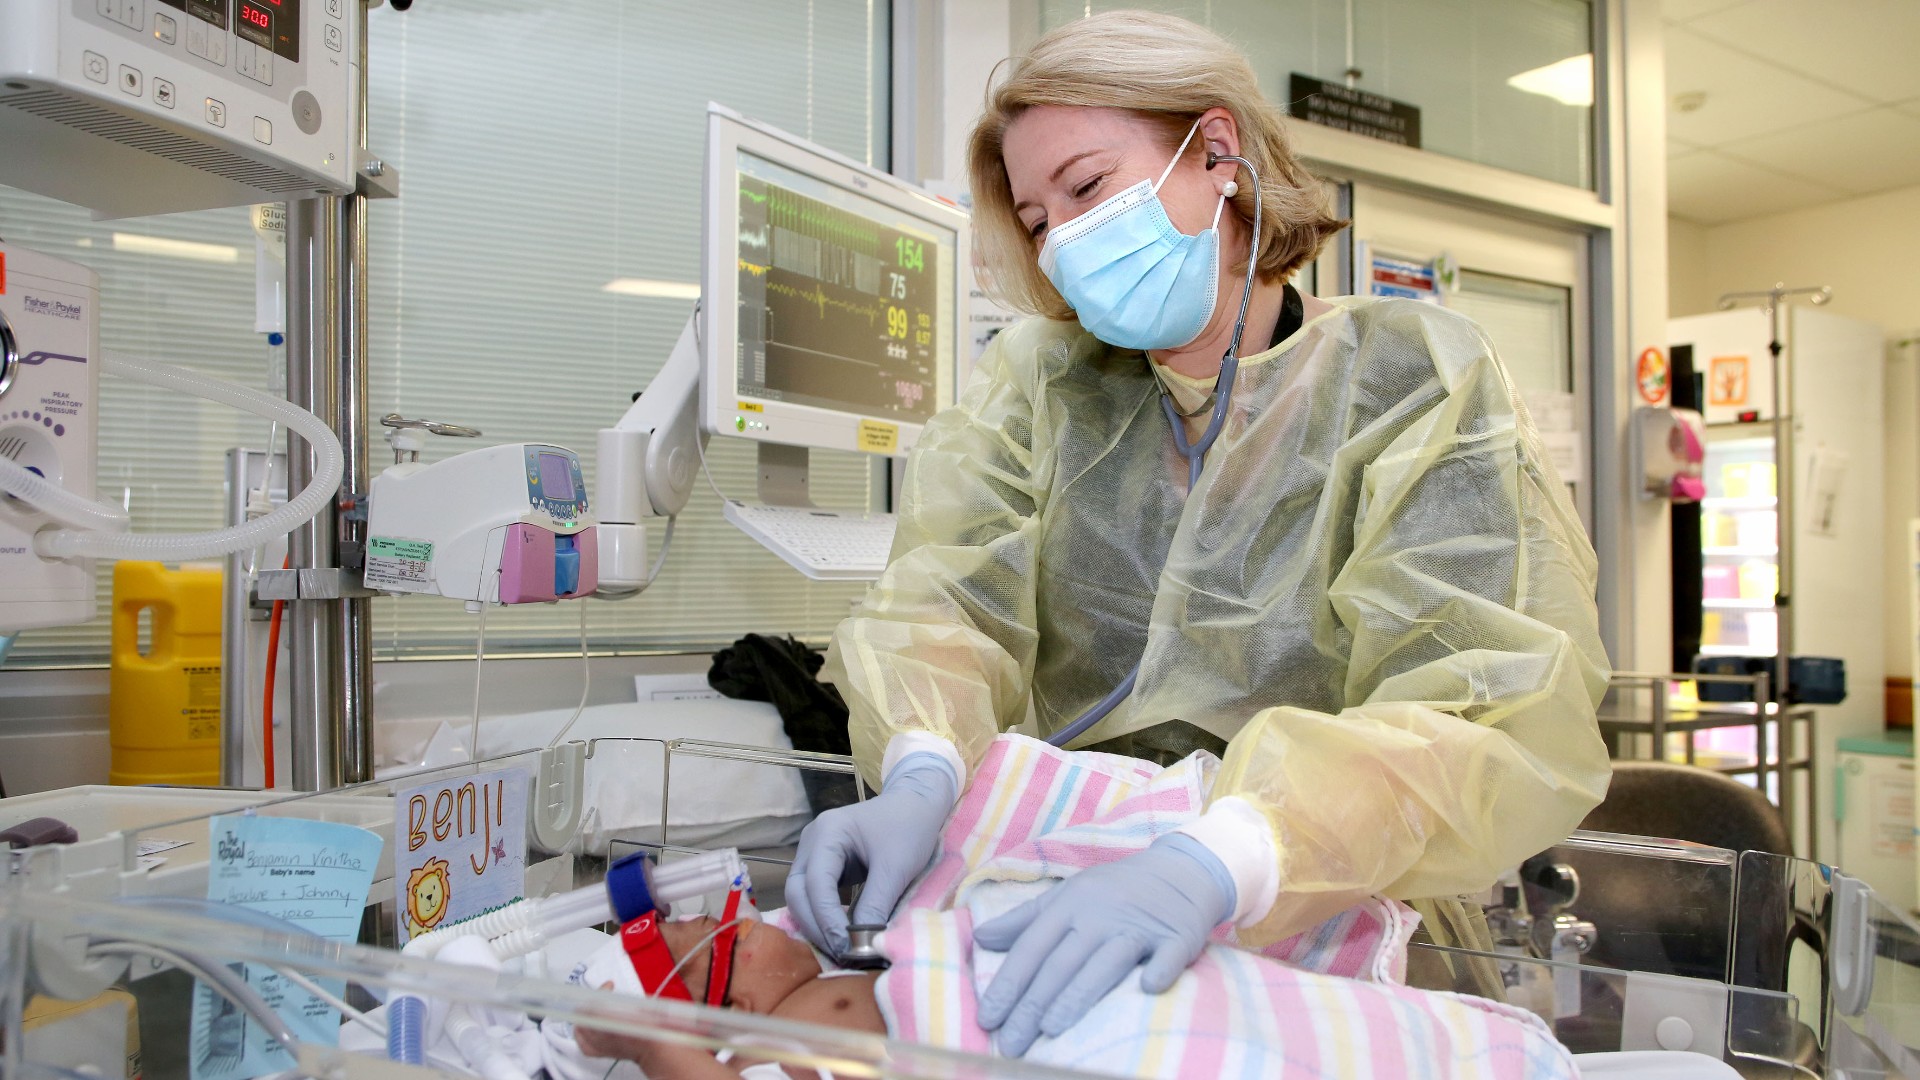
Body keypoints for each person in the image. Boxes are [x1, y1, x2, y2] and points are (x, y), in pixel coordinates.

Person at [786, 9, 1612, 1059]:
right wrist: (919, 769)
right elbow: (947, 604)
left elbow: (1483, 705)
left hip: (1320, 893)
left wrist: (1220, 856)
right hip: (1068, 874)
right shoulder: (1045, 386)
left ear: (1217, 151)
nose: (1064, 241)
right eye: (1038, 221)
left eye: (1085, 188)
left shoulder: (1411, 383)